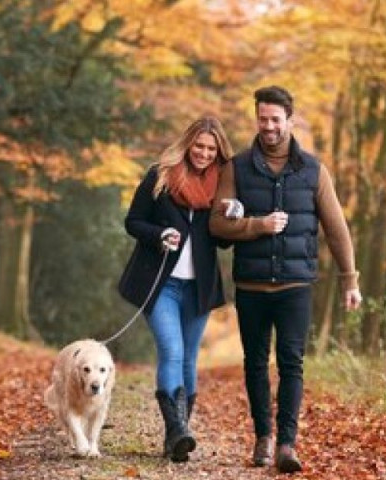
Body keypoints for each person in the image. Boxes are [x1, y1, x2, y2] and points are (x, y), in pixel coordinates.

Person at [209, 85, 363, 473]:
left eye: (276, 120)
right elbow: (216, 224)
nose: (269, 127)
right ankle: (263, 437)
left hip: (296, 285)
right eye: (263, 119)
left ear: (289, 121)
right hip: (251, 287)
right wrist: (257, 226)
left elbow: (337, 229)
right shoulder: (237, 168)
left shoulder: (313, 171)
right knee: (256, 364)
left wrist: (350, 280)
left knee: (292, 363)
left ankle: (287, 445)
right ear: (256, 119)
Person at [118, 115, 234, 462]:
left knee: (190, 358)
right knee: (172, 350)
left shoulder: (223, 185)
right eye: (198, 145)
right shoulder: (162, 175)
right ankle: (178, 431)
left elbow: (224, 243)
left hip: (198, 287)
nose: (203, 153)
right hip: (160, 283)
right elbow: (133, 221)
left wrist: (231, 214)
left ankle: (177, 437)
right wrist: (158, 235)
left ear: (218, 152)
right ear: (187, 144)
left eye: (211, 149)